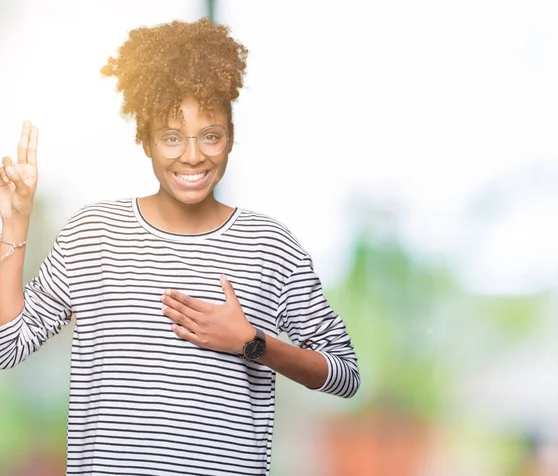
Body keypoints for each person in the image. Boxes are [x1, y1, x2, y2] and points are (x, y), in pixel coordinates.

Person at [0, 18, 359, 476]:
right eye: (172, 137)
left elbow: (345, 374)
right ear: (144, 139)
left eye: (210, 135)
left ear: (231, 135)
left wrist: (253, 345)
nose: (193, 155)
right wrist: (15, 219)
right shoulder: (92, 235)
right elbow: (5, 346)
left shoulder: (270, 246)